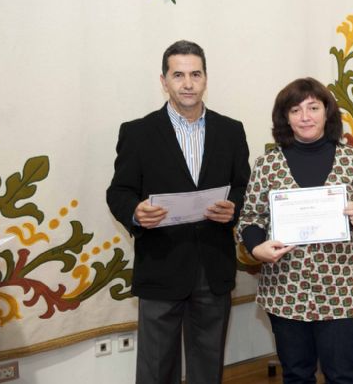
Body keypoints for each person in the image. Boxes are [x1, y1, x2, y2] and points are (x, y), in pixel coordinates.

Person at [106, 40, 250, 384]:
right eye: (179, 75)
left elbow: (245, 188)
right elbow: (119, 191)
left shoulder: (231, 130)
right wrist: (135, 212)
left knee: (207, 366)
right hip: (161, 264)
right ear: (164, 80)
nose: (188, 83)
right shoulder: (138, 133)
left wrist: (234, 208)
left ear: (205, 78)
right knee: (156, 369)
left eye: (195, 74)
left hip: (213, 267)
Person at [236, 77, 353, 384]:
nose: (305, 116)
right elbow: (250, 217)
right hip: (286, 290)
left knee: (343, 375)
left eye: (313, 107)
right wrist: (255, 247)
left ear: (327, 113)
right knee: (297, 375)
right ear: (285, 118)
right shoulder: (267, 164)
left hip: (342, 288)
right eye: (295, 110)